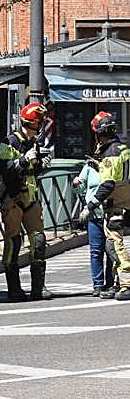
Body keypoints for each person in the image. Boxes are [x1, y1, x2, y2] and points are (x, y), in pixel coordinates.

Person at [0, 102, 52, 302]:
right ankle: (14, 288)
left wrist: (40, 166)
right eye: (41, 122)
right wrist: (23, 161)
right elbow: (1, 167)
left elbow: (31, 172)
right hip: (13, 199)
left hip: (31, 199)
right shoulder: (11, 141)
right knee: (13, 242)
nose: (42, 125)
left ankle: (38, 287)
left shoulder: (34, 142)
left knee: (38, 241)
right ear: (34, 123)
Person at [88, 111, 130, 301]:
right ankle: (116, 284)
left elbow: (108, 183)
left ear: (100, 133)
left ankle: (126, 284)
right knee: (111, 243)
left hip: (116, 205)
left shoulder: (110, 153)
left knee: (114, 245)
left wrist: (90, 205)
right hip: (124, 202)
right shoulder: (123, 148)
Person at [74, 149, 115, 297]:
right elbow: (81, 189)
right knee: (96, 251)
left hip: (110, 212)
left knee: (111, 250)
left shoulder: (111, 165)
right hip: (94, 214)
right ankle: (98, 284)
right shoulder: (89, 167)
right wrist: (76, 184)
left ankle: (112, 283)